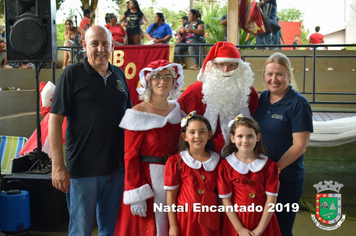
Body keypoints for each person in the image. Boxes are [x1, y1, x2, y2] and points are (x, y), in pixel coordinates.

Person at [49, 25, 132, 236]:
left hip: (116, 169)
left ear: (113, 46)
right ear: (85, 46)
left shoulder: (119, 74)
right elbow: (54, 120)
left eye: (105, 43)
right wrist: (58, 166)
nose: (101, 49)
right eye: (95, 44)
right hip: (83, 171)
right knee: (80, 231)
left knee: (110, 230)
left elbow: (131, 118)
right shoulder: (71, 74)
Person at [114, 60, 185, 236]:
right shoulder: (137, 113)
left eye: (168, 76)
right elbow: (130, 156)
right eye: (157, 77)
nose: (163, 81)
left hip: (174, 177)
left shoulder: (177, 110)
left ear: (174, 81)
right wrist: (136, 193)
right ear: (149, 82)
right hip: (147, 180)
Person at [253, 52, 313, 236]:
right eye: (269, 74)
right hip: (259, 177)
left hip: (286, 178)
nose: (274, 79)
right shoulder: (261, 98)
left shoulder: (298, 103)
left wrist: (275, 169)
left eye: (279, 74)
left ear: (288, 75)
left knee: (281, 228)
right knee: (262, 228)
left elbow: (300, 145)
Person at [178, 41, 258, 156]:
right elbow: (179, 114)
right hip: (205, 153)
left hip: (240, 153)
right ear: (213, 65)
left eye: (231, 65)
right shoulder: (197, 89)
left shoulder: (248, 91)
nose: (226, 70)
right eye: (221, 64)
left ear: (238, 67)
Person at [218, 114, 281, 236]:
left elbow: (271, 200)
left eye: (250, 136)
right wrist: (240, 230)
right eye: (240, 136)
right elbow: (226, 201)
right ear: (232, 138)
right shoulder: (225, 166)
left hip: (263, 220)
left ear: (257, 137)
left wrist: (259, 230)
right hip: (236, 222)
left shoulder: (269, 166)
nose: (245, 140)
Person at [164, 111, 221, 236]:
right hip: (186, 218)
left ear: (210, 134)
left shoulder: (219, 162)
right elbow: (171, 196)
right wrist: (173, 225)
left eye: (202, 132)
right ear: (184, 136)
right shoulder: (176, 161)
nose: (197, 136)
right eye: (192, 132)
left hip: (211, 218)